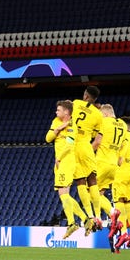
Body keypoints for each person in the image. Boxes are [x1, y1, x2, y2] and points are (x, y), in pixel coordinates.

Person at [45, 100, 89, 239]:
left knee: (64, 193)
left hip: (66, 161)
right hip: (60, 162)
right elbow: (48, 138)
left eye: (58, 110)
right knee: (63, 194)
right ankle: (85, 219)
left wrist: (59, 158)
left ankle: (72, 223)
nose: (56, 112)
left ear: (66, 112)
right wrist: (57, 130)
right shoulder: (56, 122)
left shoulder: (72, 127)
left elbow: (70, 145)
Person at [72, 86, 103, 235]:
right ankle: (98, 216)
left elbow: (66, 107)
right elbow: (97, 137)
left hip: (72, 145)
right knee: (93, 180)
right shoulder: (98, 115)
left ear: (85, 95)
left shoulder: (76, 103)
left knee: (80, 181)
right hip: (85, 145)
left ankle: (89, 215)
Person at [111, 117, 130, 253]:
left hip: (121, 170)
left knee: (119, 202)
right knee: (128, 203)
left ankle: (123, 232)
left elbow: (118, 156)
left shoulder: (122, 136)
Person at [95, 104, 127, 222]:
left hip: (102, 162)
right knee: (99, 194)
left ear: (106, 114)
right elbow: (124, 145)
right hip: (114, 165)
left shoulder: (105, 122)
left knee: (90, 192)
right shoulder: (123, 125)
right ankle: (108, 218)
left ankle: (111, 212)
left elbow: (97, 142)